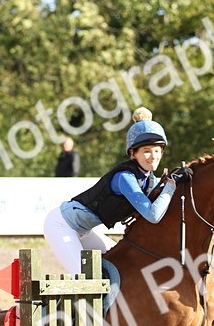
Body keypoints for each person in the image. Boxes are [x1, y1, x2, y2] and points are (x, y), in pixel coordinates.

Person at [43, 107, 189, 279]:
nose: (153, 156)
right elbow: (153, 215)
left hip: (85, 231)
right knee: (84, 281)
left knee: (117, 265)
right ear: (133, 154)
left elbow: (163, 194)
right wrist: (171, 186)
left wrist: (178, 179)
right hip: (61, 226)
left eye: (157, 150)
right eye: (147, 151)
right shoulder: (125, 178)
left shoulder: (149, 178)